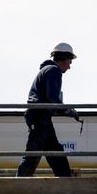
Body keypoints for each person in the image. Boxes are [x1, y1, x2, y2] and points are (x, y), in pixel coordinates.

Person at [16, 42, 81, 177]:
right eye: (70, 61)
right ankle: (18, 183)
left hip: (41, 115)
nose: (70, 66)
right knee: (34, 153)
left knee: (55, 151)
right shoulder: (53, 71)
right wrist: (69, 111)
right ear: (63, 58)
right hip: (39, 115)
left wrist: (66, 111)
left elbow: (50, 100)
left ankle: (65, 179)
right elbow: (52, 99)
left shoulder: (47, 70)